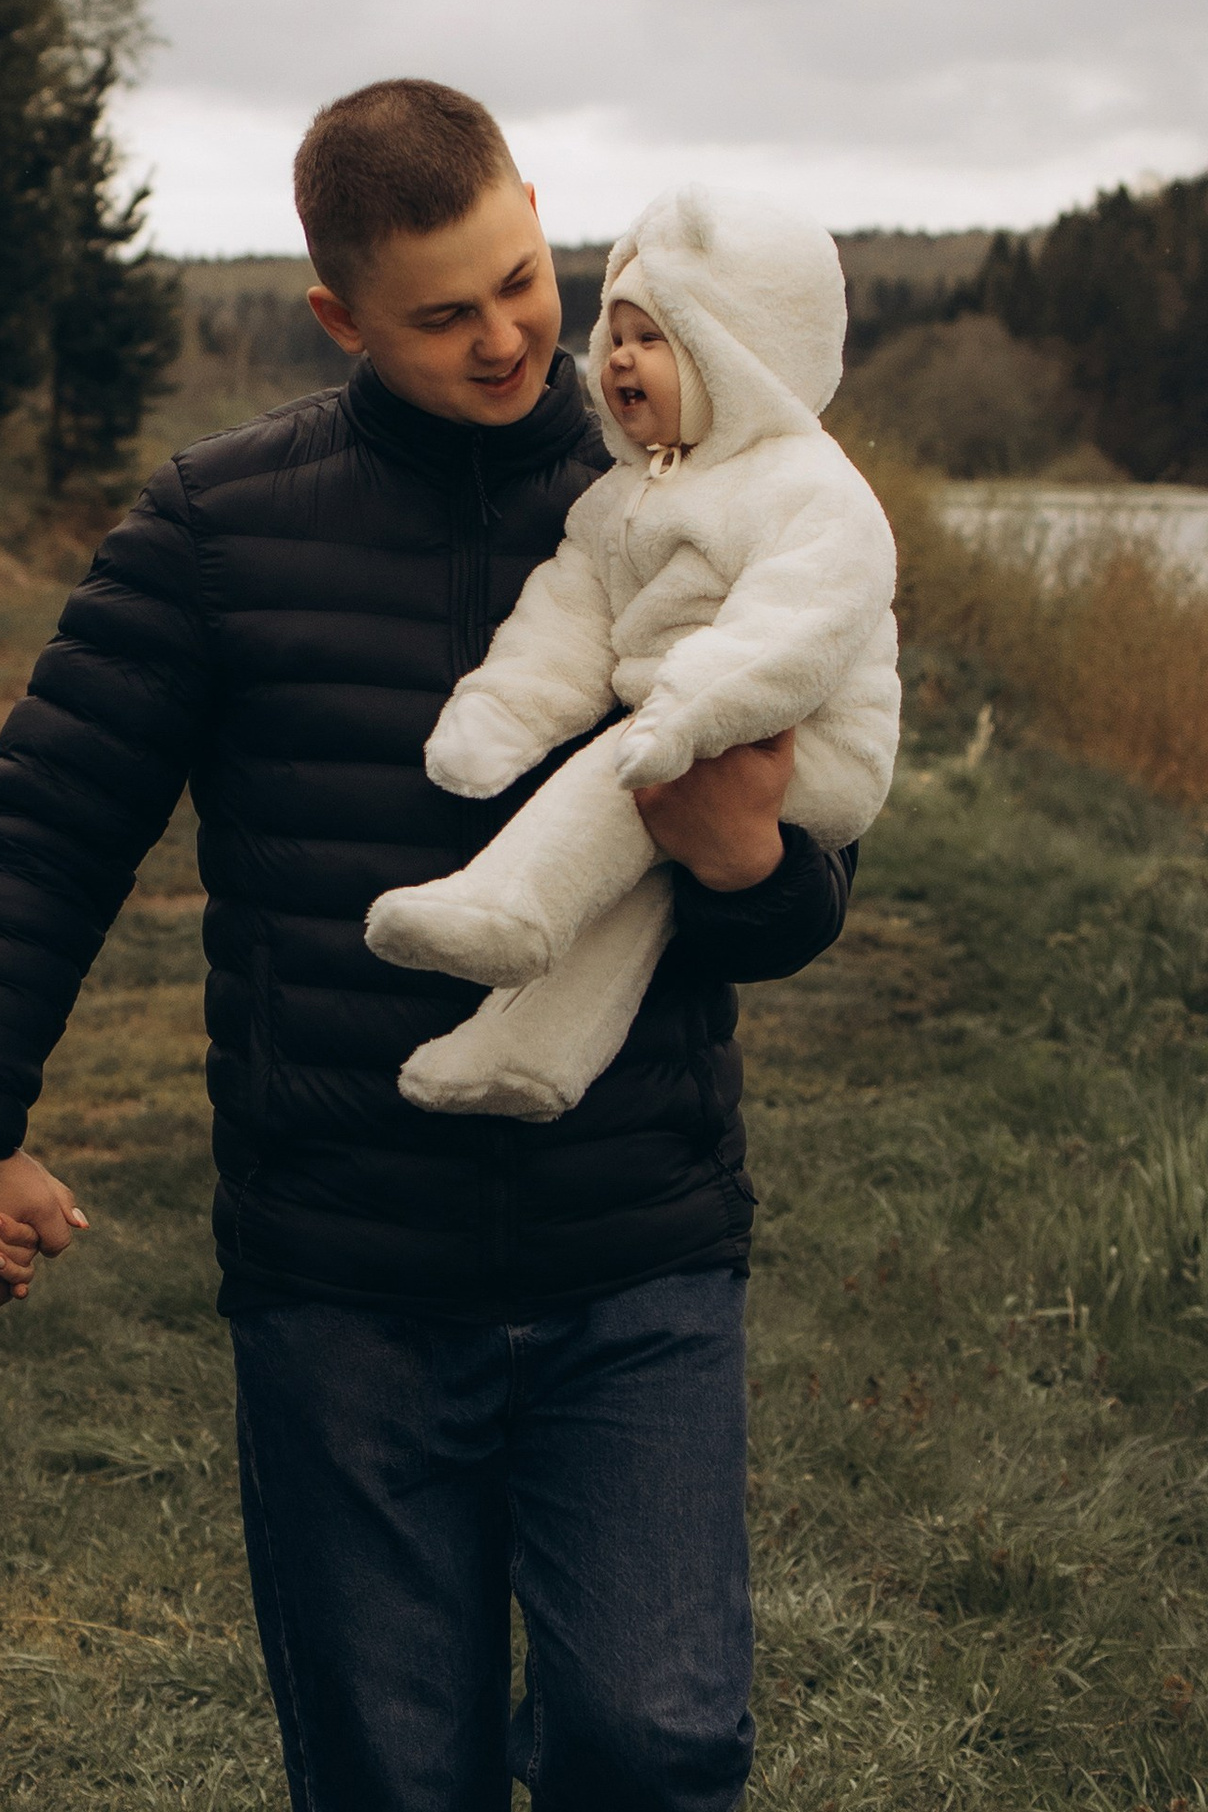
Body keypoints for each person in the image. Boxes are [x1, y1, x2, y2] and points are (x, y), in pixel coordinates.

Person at [0, 80, 857, 1812]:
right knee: (394, 1798)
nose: (512, 338)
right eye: (445, 315)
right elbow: (48, 818)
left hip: (631, 1242)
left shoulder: (680, 493)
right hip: (343, 1276)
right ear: (337, 318)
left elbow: (796, 880)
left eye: (529, 281)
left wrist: (752, 862)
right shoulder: (219, 530)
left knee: (656, 1722)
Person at [365, 184, 899, 1118]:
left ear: (741, 357)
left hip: (800, 738)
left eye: (654, 338)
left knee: (617, 774)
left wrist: (686, 713)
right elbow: (569, 615)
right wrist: (502, 716)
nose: (619, 359)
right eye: (614, 335)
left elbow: (792, 624)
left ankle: (507, 905)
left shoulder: (810, 487)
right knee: (631, 900)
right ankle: (525, 1059)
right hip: (684, 720)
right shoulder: (624, 494)